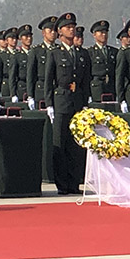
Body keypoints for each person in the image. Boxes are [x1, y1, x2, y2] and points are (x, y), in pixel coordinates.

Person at [44, 12, 90, 195]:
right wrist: (49, 104)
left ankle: (74, 182)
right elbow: (49, 81)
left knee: (76, 145)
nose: (72, 29)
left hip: (77, 101)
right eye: (68, 27)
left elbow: (85, 81)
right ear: (60, 32)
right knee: (60, 144)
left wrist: (85, 102)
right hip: (61, 101)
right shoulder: (55, 53)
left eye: (73, 26)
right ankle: (62, 184)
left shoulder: (82, 54)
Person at [26, 16, 58, 110]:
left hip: (55, 90)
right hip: (41, 90)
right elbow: (31, 74)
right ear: (43, 32)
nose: (53, 33)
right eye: (50, 30)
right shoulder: (36, 51)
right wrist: (30, 95)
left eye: (55, 30)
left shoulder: (59, 50)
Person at [87, 20, 117, 102]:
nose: (104, 35)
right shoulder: (90, 52)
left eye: (105, 32)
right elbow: (87, 75)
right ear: (94, 35)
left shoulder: (114, 51)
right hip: (96, 89)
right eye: (100, 32)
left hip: (111, 87)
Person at [9, 25, 32, 103]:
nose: (29, 38)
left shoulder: (34, 53)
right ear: (20, 38)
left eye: (30, 36)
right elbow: (12, 76)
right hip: (22, 89)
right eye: (25, 36)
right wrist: (13, 94)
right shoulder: (16, 55)